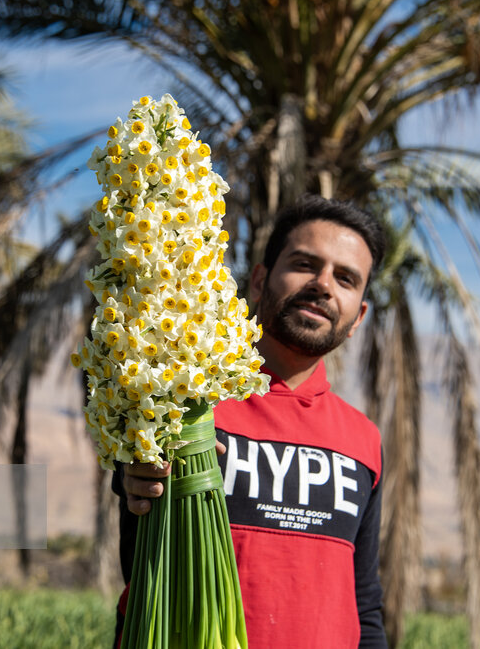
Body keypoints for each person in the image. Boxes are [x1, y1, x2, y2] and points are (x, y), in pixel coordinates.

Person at [115, 194, 388, 648]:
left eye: (345, 278)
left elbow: (365, 603)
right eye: (305, 263)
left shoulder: (363, 440)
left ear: (358, 316)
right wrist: (134, 474)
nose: (323, 285)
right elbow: (138, 520)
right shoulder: (186, 403)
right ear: (259, 280)